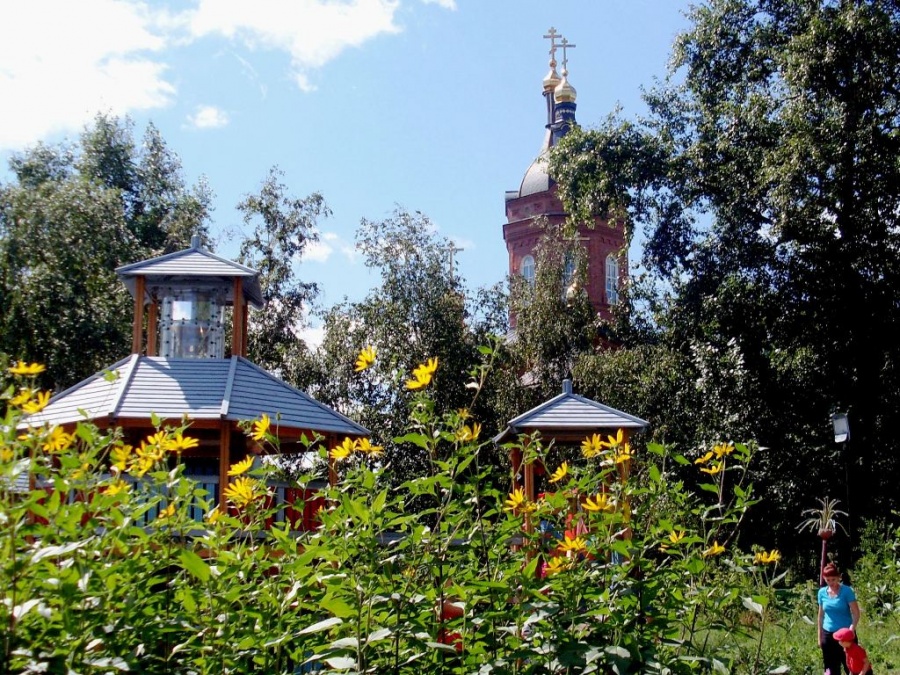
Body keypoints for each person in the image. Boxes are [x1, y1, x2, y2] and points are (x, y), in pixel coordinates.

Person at [818, 562, 861, 675]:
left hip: (846, 635)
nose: (831, 583)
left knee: (852, 666)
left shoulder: (847, 591)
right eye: (828, 580)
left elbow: (856, 613)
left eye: (833, 579)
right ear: (824, 579)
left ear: (839, 577)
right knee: (831, 668)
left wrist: (852, 628)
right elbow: (821, 615)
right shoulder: (821, 593)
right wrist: (820, 636)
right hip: (828, 634)